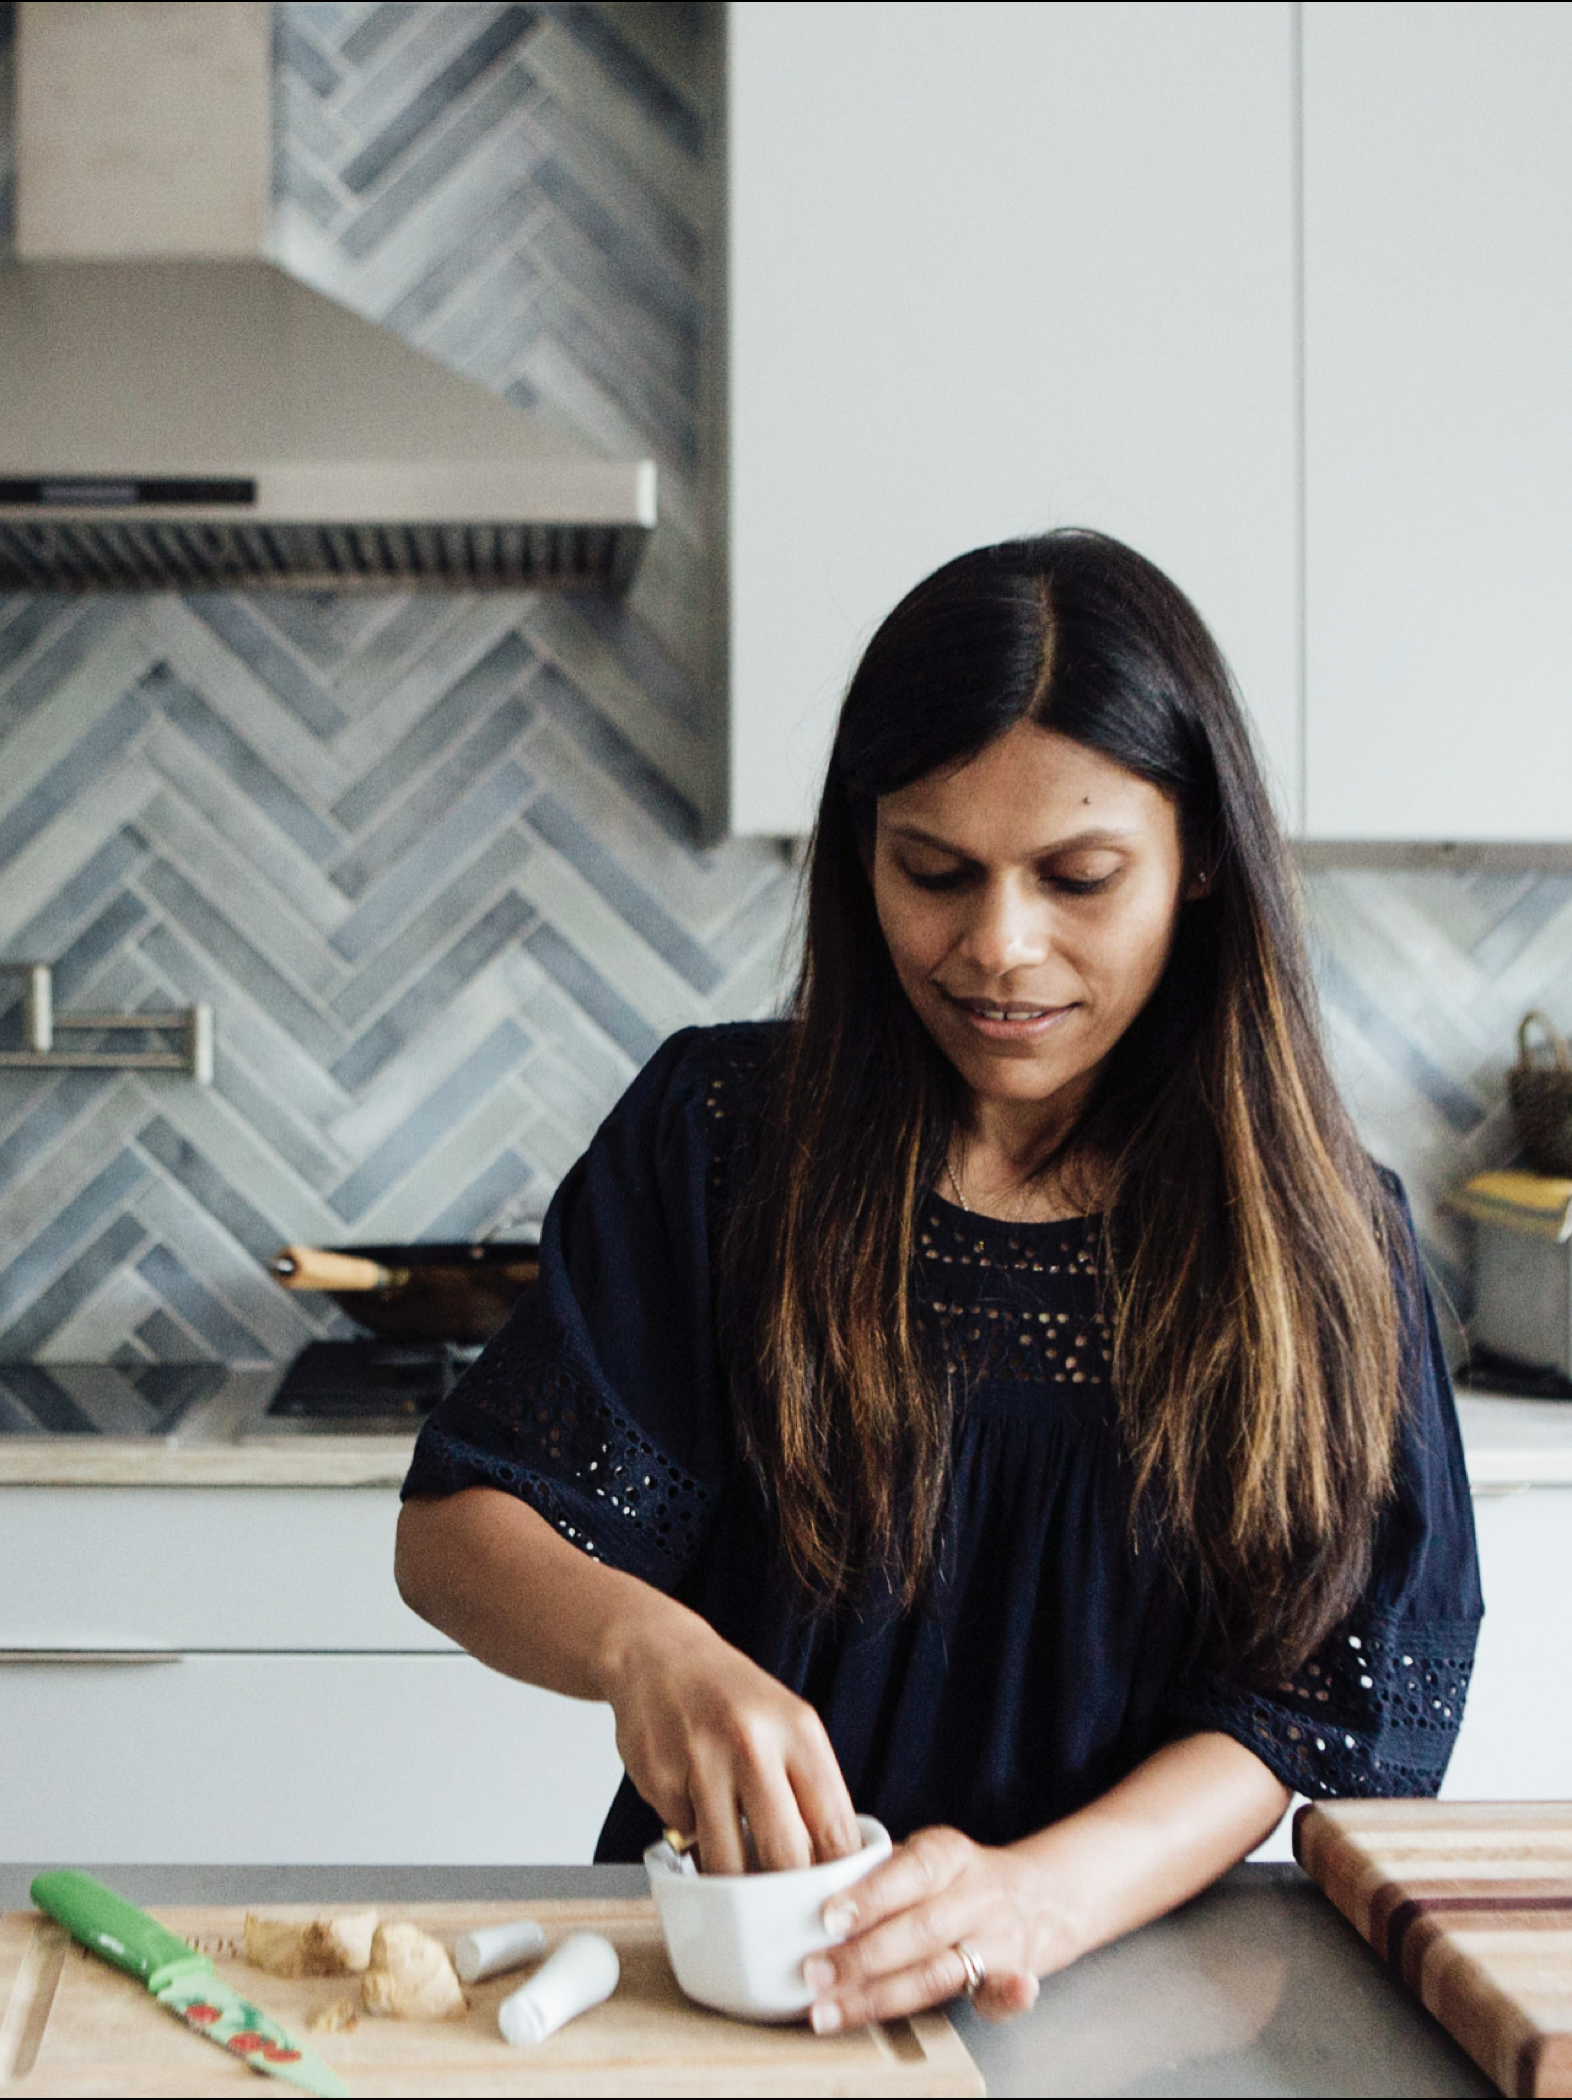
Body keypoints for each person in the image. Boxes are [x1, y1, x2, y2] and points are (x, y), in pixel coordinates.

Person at [395, 530, 1481, 2033]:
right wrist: (645, 1643)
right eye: (935, 870)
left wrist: (1038, 1895)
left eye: (1079, 877)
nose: (999, 947)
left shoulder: (1321, 1239)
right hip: (736, 1996)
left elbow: (1319, 1701)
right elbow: (458, 1531)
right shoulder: (724, 1144)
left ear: (1204, 861)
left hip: (1132, 1999)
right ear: (862, 852)